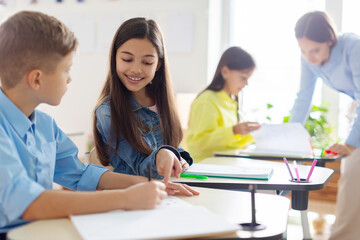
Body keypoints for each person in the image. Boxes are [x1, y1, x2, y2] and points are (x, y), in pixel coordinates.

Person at [0, 11, 198, 238]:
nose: (69, 78)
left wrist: (149, 184)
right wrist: (126, 198)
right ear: (37, 79)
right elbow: (29, 203)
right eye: (66, 69)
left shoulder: (45, 125)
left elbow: (82, 174)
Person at [93, 17, 193, 185]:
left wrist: (179, 158)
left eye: (147, 62)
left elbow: (173, 146)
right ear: (114, 58)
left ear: (158, 65)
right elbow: (141, 166)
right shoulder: (108, 111)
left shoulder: (162, 103)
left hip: (166, 192)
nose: (136, 69)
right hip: (131, 198)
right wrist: (164, 155)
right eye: (127, 59)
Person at [290, 11, 360, 240]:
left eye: (315, 50)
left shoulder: (353, 47)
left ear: (330, 40)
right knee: (352, 173)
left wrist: (351, 143)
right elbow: (303, 98)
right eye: (303, 50)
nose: (309, 57)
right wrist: (290, 136)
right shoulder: (308, 59)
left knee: (354, 170)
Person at [186, 47, 261, 162]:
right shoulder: (207, 100)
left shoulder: (230, 100)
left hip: (224, 163)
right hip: (205, 166)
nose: (246, 84)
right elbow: (201, 143)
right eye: (243, 78)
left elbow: (230, 142)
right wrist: (234, 130)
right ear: (225, 72)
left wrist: (255, 136)